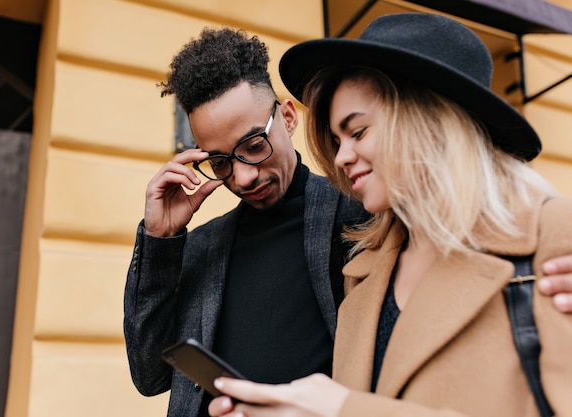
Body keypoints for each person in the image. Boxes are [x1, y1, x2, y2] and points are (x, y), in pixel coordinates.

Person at [207, 13, 572, 417]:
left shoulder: (550, 237)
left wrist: (343, 410)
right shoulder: (362, 277)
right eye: (336, 139)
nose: (341, 158)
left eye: (358, 132)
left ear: (431, 121)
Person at [123, 27, 367, 417]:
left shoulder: (355, 214)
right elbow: (149, 374)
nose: (242, 178)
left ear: (287, 117)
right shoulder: (200, 246)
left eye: (254, 147)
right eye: (219, 162)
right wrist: (160, 241)